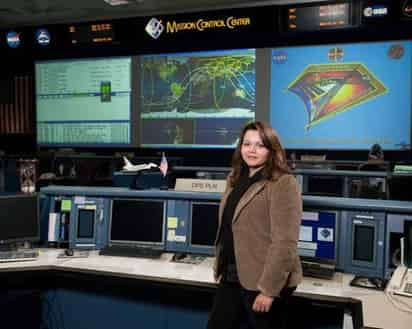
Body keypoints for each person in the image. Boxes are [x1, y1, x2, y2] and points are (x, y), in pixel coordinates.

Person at [207, 121, 302, 329]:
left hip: (262, 281)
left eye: (259, 145)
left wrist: (268, 290)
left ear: (271, 149)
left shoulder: (283, 183)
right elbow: (228, 228)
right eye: (247, 144)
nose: (251, 150)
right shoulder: (234, 179)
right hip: (231, 275)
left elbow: (285, 242)